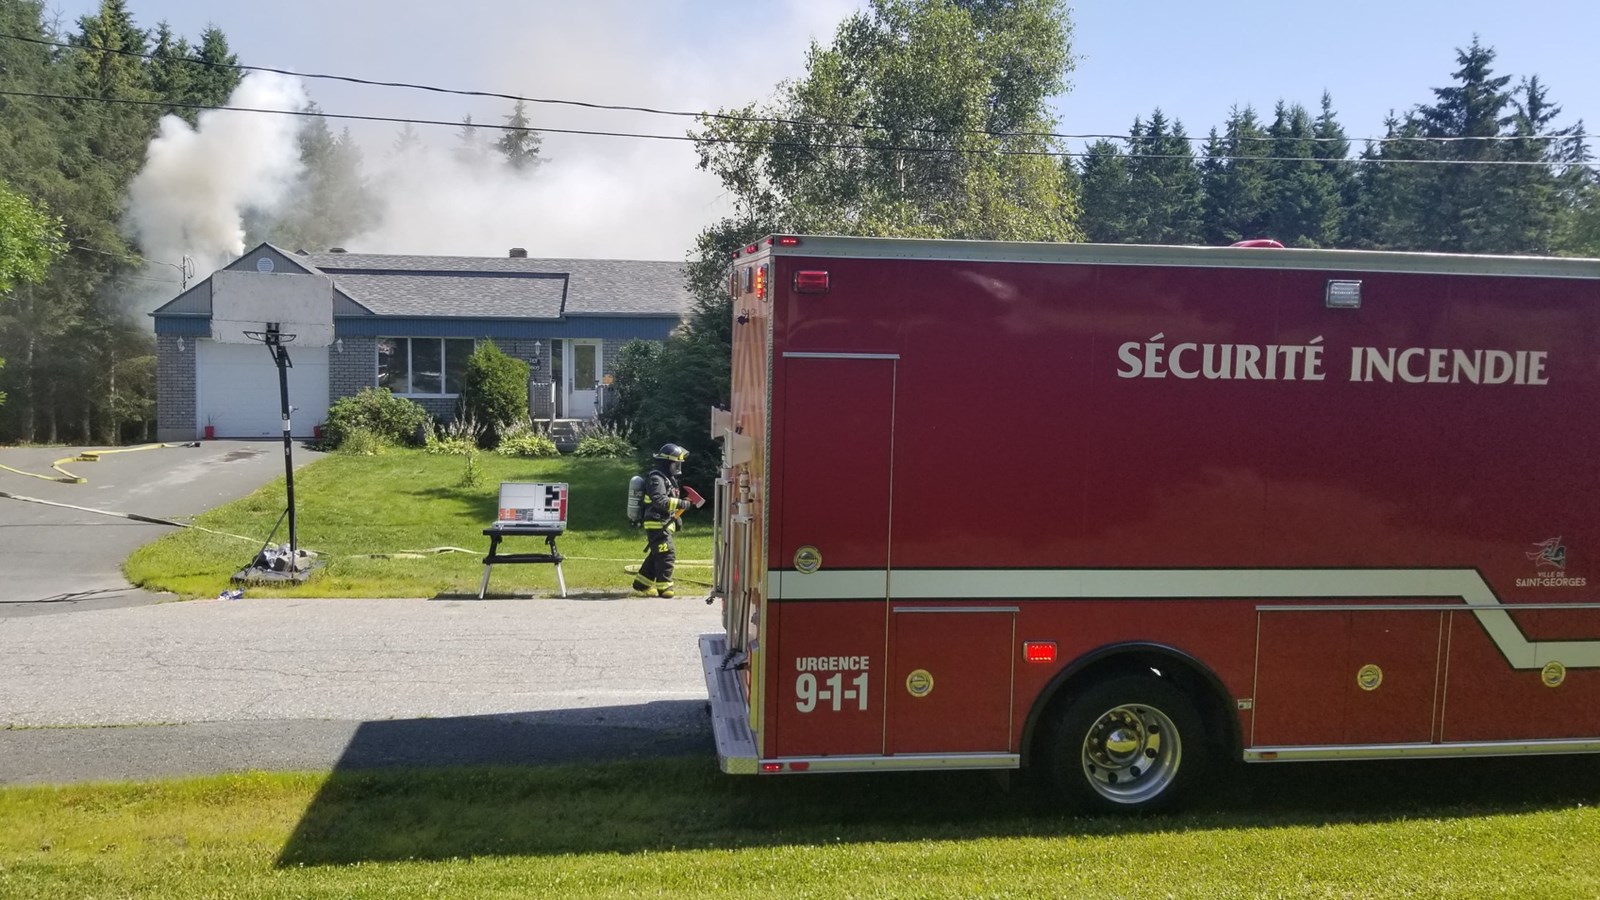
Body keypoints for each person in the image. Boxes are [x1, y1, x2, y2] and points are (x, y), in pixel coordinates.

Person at [634, 443, 690, 598]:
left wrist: (677, 517)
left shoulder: (668, 478)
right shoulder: (656, 478)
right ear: (667, 462)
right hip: (656, 522)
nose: (678, 467)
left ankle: (642, 584)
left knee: (657, 553)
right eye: (675, 463)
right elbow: (660, 500)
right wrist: (681, 503)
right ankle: (665, 587)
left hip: (663, 522)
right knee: (667, 554)